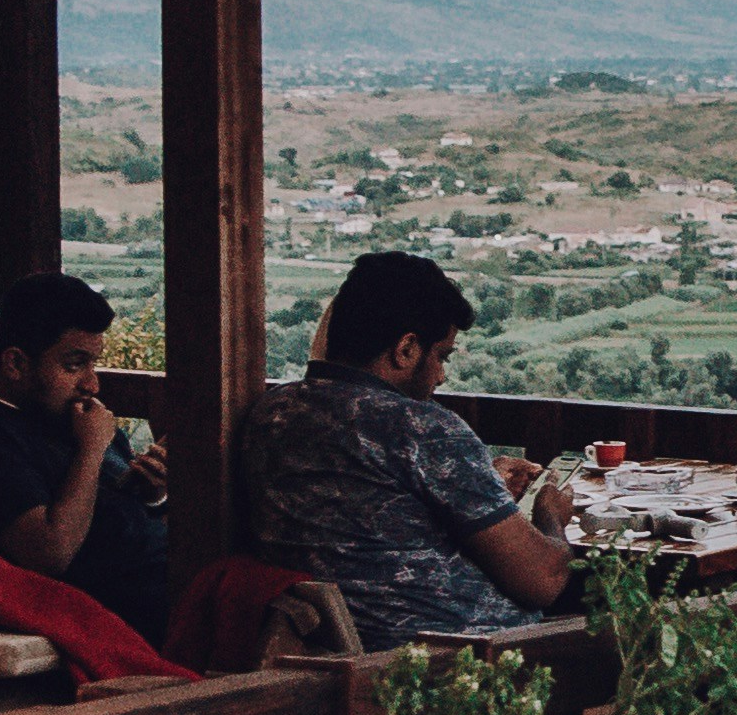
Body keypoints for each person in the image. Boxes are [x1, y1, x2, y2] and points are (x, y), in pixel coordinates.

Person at [237, 250, 577, 644]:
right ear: (406, 349)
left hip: (331, 648)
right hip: (454, 663)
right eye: (441, 355)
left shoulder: (272, 412)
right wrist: (551, 515)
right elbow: (546, 580)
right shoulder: (424, 428)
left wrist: (482, 481)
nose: (442, 375)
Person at [0, 272, 175, 645]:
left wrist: (155, 493)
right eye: (74, 365)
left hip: (167, 592)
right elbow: (50, 554)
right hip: (112, 619)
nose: (92, 384)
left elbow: (136, 518)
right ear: (16, 364)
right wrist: (90, 452)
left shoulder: (75, 422)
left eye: (93, 364)